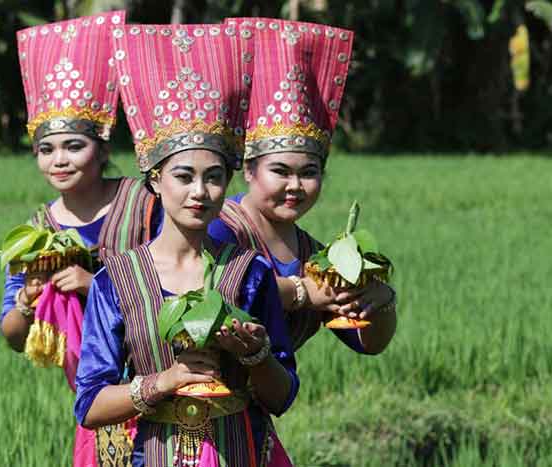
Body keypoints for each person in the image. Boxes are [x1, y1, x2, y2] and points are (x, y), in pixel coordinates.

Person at [75, 23, 298, 467]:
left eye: (214, 177)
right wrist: (165, 381)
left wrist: (254, 355)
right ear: (155, 180)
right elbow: (90, 406)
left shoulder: (249, 273)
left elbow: (282, 396)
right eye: (183, 177)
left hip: (239, 453)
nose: (199, 192)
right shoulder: (117, 279)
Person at [0, 11, 160, 467]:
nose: (58, 160)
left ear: (103, 148)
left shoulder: (144, 203)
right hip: (99, 399)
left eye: (74, 146)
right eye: (46, 149)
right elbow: (13, 336)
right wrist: (28, 304)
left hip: (164, 378)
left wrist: (98, 288)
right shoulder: (38, 232)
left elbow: (180, 281)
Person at [208, 18, 397, 354]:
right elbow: (205, 292)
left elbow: (367, 344)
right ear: (249, 170)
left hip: (263, 400)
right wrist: (300, 292)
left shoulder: (316, 257)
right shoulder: (219, 227)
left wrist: (381, 300)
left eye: (308, 172)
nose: (294, 186)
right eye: (280, 171)